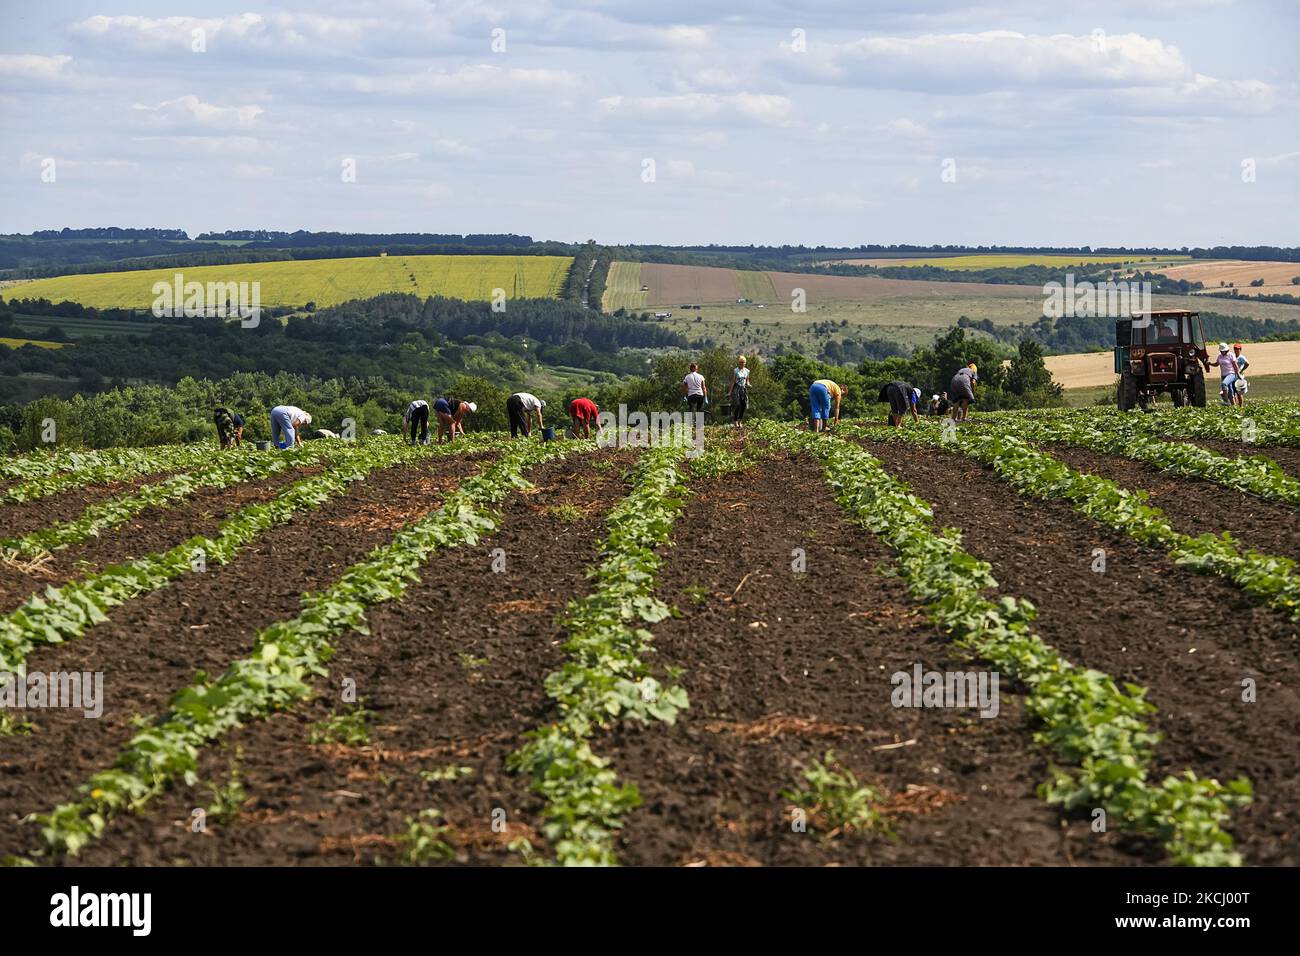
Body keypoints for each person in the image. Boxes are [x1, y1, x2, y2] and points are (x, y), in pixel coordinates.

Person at [729, 356, 751, 427]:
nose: (742, 364)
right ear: (739, 363)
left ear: (745, 363)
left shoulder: (747, 371)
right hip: (737, 389)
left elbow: (747, 381)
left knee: (743, 405)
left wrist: (749, 384)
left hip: (743, 389)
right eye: (741, 362)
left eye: (743, 362)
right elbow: (733, 381)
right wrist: (730, 391)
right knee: (737, 405)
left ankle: (740, 421)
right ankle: (735, 421)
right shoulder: (736, 370)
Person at [1231, 343, 1250, 408]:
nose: (1236, 350)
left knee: (1239, 393)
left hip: (1239, 377)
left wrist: (1241, 370)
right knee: (1232, 393)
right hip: (1232, 377)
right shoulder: (1233, 356)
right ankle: (1234, 406)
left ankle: (1241, 407)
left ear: (1240, 349)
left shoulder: (1241, 357)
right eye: (1235, 349)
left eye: (1237, 349)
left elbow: (1247, 364)